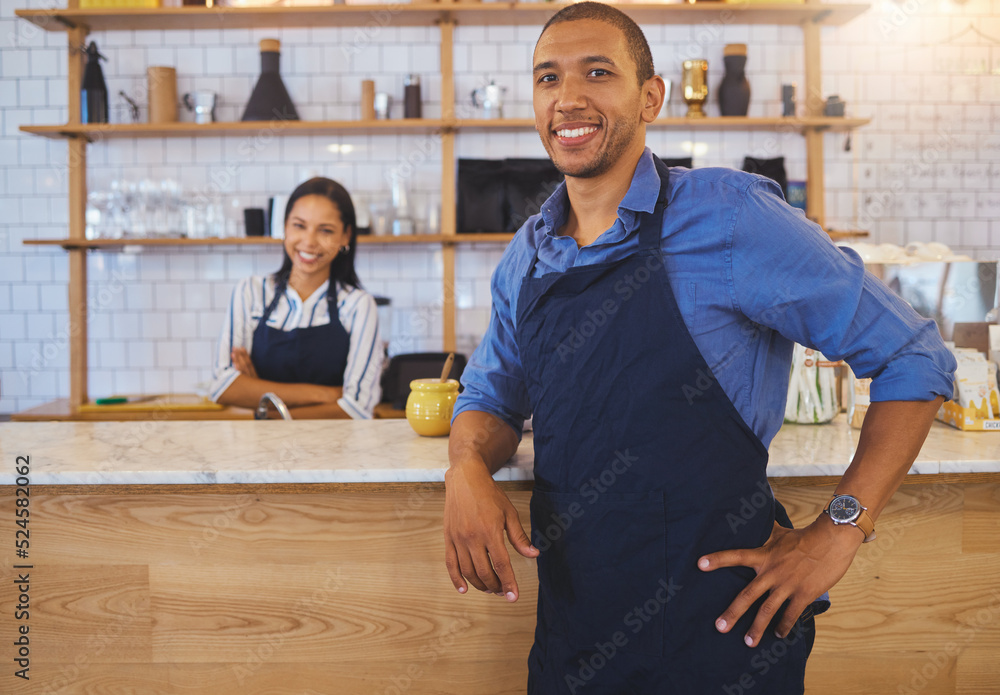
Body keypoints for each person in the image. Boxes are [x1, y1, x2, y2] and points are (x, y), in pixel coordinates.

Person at [443, 3, 957, 693]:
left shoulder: (728, 216)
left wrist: (840, 528)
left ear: (651, 96)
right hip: (577, 644)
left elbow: (913, 358)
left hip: (724, 640)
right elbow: (490, 399)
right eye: (547, 78)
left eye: (598, 73)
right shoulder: (526, 258)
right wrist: (465, 462)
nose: (568, 97)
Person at [210, 177, 383, 419]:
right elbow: (222, 386)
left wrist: (262, 400)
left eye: (325, 230)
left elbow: (357, 408)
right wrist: (325, 395)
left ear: (346, 236)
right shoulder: (250, 292)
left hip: (337, 453)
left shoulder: (358, 305)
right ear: (284, 227)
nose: (309, 242)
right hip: (259, 453)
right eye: (299, 226)